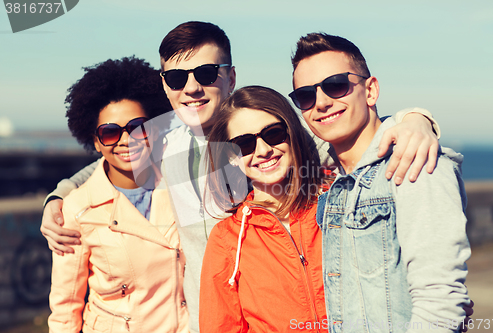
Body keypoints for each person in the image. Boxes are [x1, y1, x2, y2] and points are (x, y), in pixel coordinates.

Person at [41, 22, 442, 332]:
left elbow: (347, 138)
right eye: (177, 79)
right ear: (165, 87)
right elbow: (111, 159)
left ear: (230, 77)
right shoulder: (165, 146)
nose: (192, 88)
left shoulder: (273, 137)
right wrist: (58, 196)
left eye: (207, 73)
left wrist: (414, 120)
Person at [290, 33, 470, 332]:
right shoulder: (331, 174)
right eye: (306, 96)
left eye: (336, 85)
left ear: (370, 90)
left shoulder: (413, 161)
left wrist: (417, 122)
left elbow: (441, 302)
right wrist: (416, 117)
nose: (320, 103)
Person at [47, 57, 189, 333]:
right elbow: (65, 310)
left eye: (137, 127)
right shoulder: (77, 209)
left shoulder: (184, 186)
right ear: (97, 141)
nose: (126, 140)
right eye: (110, 132)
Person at [200, 85, 328, 332]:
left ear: (291, 133)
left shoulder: (335, 206)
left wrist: (414, 118)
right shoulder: (227, 239)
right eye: (244, 144)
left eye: (273, 133)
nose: (263, 150)